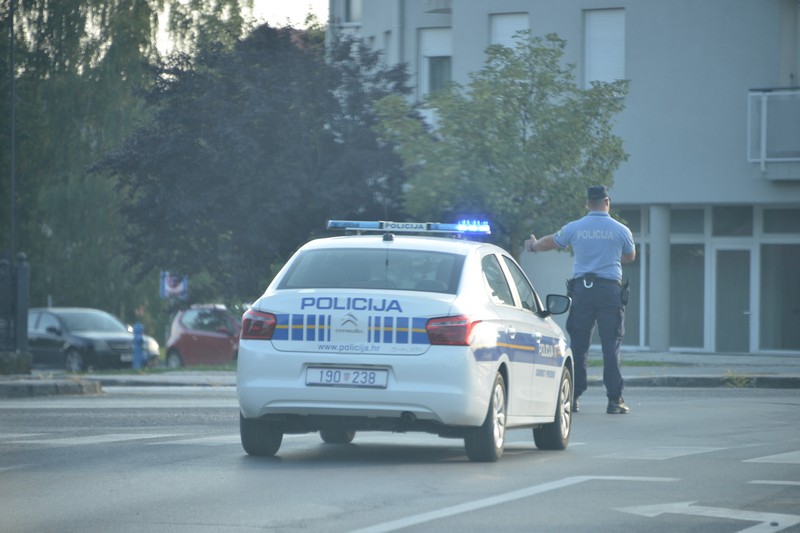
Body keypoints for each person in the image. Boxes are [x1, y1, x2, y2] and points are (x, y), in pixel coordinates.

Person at [525, 186, 636, 414]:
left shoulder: (575, 228)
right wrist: (610, 257)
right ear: (607, 201)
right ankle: (615, 401)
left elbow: (552, 242)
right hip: (609, 293)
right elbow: (630, 256)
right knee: (610, 346)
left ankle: (573, 397)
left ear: (587, 204)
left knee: (578, 345)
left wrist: (535, 245)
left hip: (582, 291)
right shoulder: (621, 230)